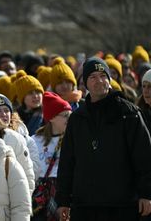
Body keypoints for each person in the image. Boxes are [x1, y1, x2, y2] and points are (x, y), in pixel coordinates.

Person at [55, 57, 151, 221]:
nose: (99, 81)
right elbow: (67, 162)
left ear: (109, 79)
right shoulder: (77, 118)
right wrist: (63, 200)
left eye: (103, 76)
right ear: (85, 83)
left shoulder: (129, 113)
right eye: (93, 77)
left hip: (122, 205)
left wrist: (147, 193)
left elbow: (144, 157)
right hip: (84, 205)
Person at [31, 92, 72, 221]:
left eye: (70, 115)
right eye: (65, 116)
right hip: (41, 194)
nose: (69, 119)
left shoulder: (72, 139)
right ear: (52, 117)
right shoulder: (34, 140)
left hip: (63, 192)